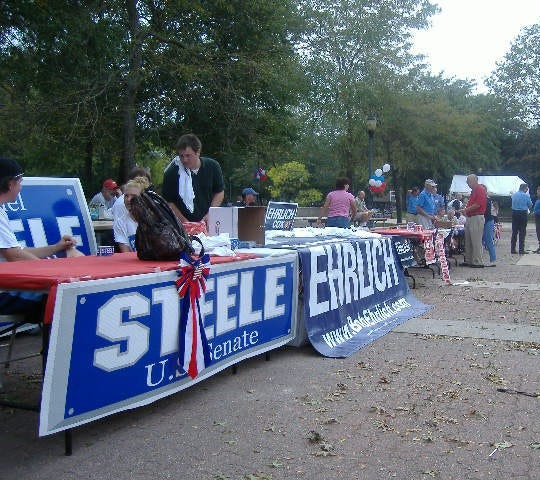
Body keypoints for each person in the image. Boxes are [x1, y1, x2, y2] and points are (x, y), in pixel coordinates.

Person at [0, 157, 83, 318]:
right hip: (4, 293)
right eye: (20, 182)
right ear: (11, 184)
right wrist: (57, 273)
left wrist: (56, 247)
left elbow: (17, 252)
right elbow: (15, 256)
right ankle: (56, 344)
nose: (20, 188)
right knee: (63, 298)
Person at [162, 133, 225, 224]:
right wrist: (185, 222)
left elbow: (219, 191)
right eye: (181, 156)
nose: (184, 160)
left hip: (209, 222)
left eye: (188, 155)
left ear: (198, 152)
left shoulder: (212, 166)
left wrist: (211, 213)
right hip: (182, 225)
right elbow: (169, 202)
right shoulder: (172, 172)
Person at [113, 176, 150, 252]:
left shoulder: (154, 220)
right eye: (126, 196)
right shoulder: (120, 223)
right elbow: (126, 254)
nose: (128, 199)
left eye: (133, 196)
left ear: (143, 198)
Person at [457, 174, 487, 268]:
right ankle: (469, 260)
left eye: (468, 181)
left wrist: (466, 210)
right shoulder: (473, 191)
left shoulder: (480, 189)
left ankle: (478, 261)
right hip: (470, 217)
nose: (467, 183)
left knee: (476, 240)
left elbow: (478, 204)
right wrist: (466, 210)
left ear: (475, 180)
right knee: (469, 240)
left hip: (477, 217)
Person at [510, 183, 533, 254]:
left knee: (514, 232)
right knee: (522, 232)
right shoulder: (526, 196)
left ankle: (513, 249)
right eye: (527, 188)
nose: (527, 190)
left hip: (514, 213)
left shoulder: (514, 195)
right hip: (523, 214)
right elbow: (530, 205)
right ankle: (521, 249)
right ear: (525, 188)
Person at [482, 190, 496, 266]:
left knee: (488, 239)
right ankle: (491, 258)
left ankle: (492, 259)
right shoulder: (488, 200)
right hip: (487, 220)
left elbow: (486, 213)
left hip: (487, 220)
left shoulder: (486, 200)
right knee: (485, 239)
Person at [535, 186, 540, 254]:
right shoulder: (538, 199)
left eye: (538, 191)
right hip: (537, 218)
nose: (537, 192)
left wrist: (536, 212)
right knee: (538, 232)